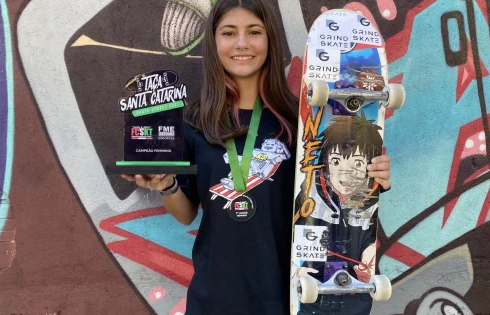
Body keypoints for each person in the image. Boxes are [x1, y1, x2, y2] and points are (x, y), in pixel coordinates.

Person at [121, 0, 391, 314]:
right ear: (214, 42)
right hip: (214, 300)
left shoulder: (302, 123)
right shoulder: (195, 124)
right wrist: (166, 185)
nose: (242, 43)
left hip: (287, 298)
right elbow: (186, 214)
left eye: (254, 31)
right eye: (228, 33)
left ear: (269, 40)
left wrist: (370, 180)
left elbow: (333, 199)